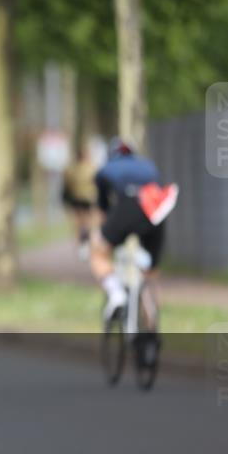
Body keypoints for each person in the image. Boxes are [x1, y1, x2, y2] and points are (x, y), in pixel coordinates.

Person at [89, 137, 178, 323]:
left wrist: (102, 234)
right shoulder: (148, 166)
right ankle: (150, 323)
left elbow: (102, 209)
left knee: (98, 253)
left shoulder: (105, 170)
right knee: (150, 272)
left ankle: (116, 295)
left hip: (127, 206)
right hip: (156, 210)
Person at [61, 142, 98, 260]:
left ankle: (80, 247)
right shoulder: (92, 168)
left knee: (78, 224)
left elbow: (67, 184)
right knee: (88, 223)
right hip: (88, 198)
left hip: (75, 198)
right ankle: (86, 246)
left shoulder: (72, 169)